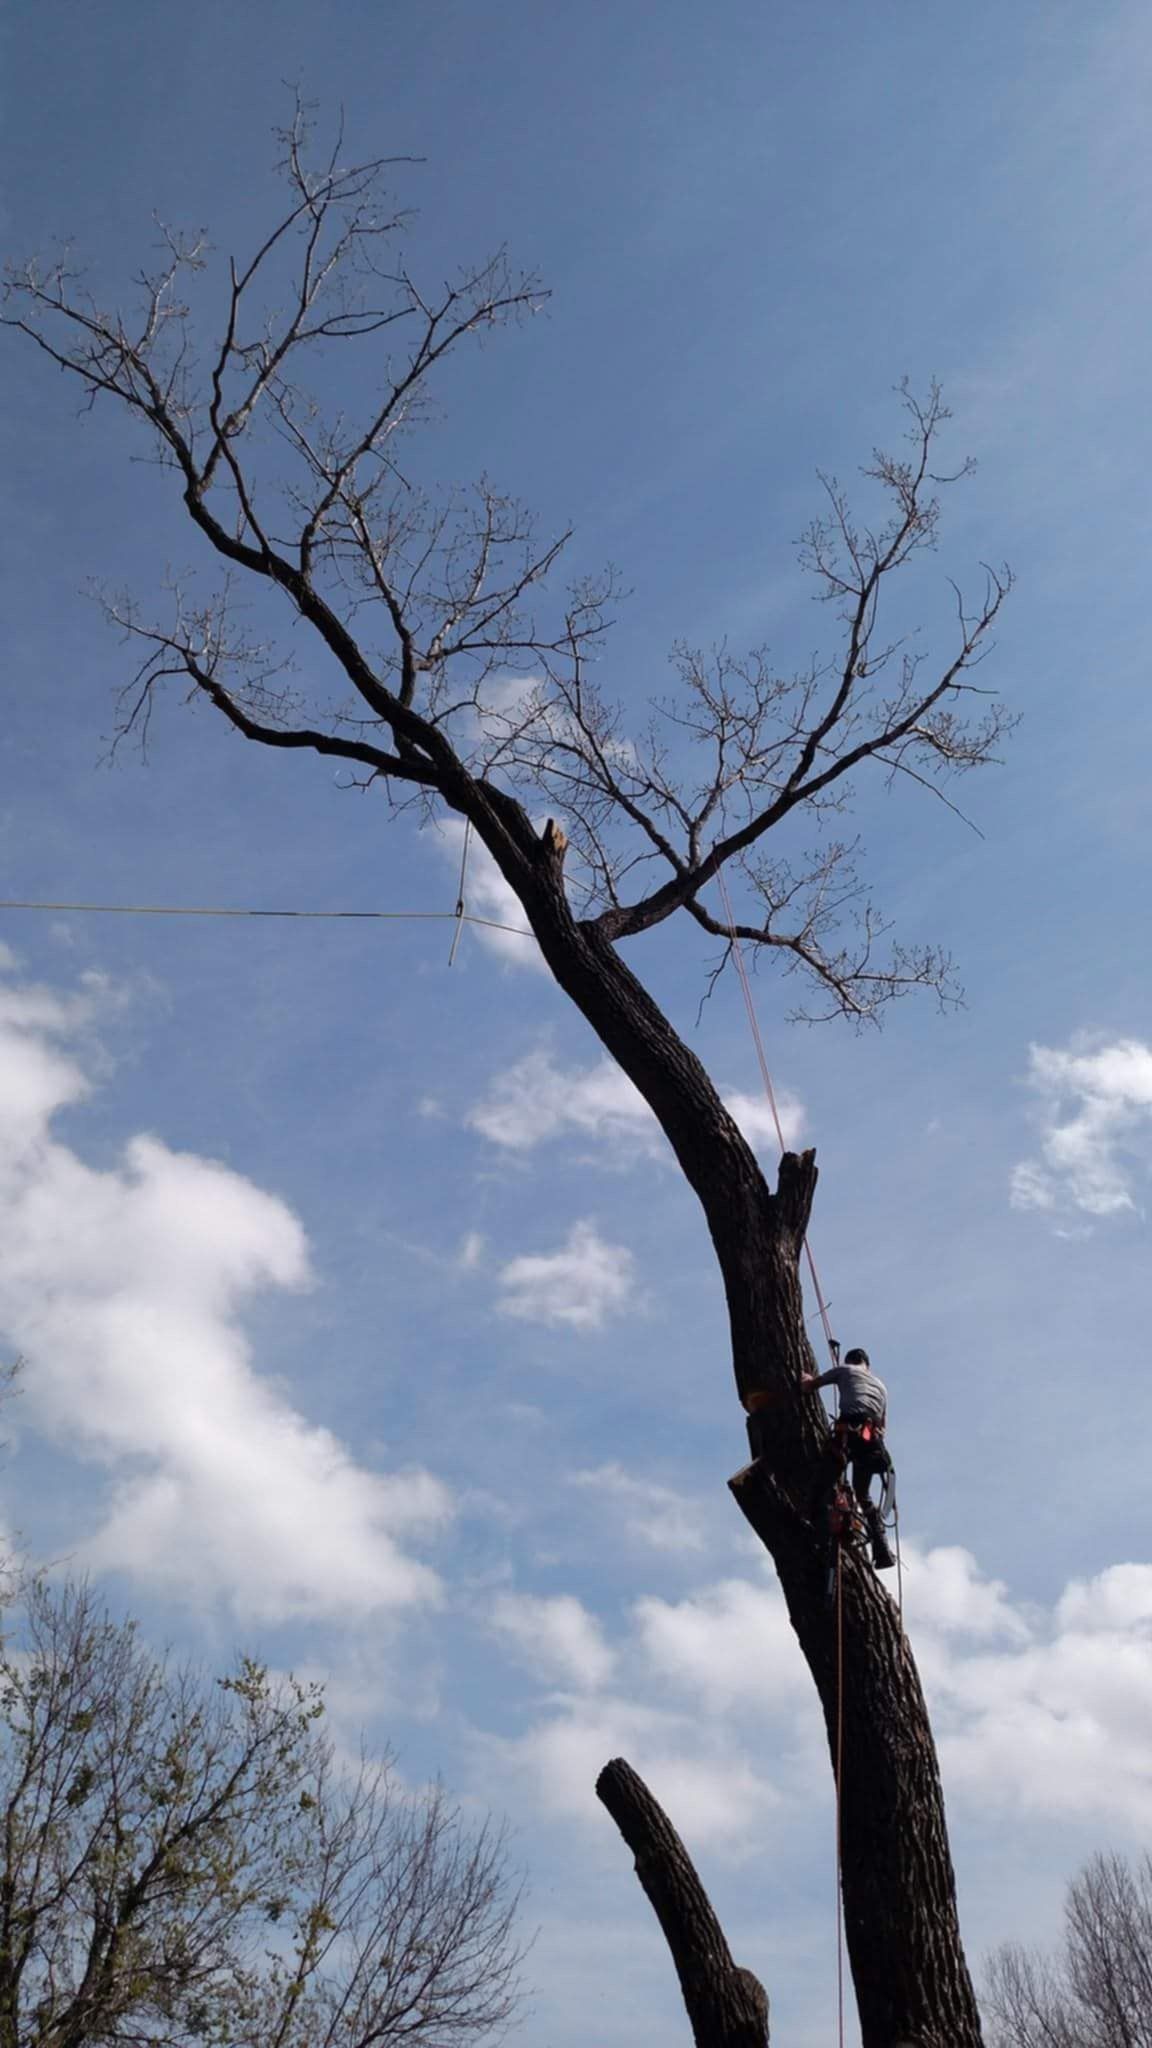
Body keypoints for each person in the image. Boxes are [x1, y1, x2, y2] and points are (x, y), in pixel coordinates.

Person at [802, 1346, 895, 1570]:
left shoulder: (845, 1370)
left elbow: (809, 1386)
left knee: (822, 1485)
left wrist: (806, 1378)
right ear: (867, 1365)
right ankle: (882, 1550)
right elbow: (882, 1428)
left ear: (850, 1360)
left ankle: (816, 1534)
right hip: (872, 1444)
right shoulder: (881, 1387)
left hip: (847, 1438)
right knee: (863, 1495)